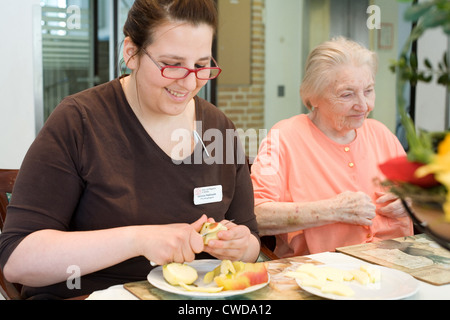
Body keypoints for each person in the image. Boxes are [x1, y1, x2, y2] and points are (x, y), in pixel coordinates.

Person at [0, 0, 260, 300]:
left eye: (201, 66)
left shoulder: (218, 128)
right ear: (131, 52)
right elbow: (17, 259)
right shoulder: (79, 121)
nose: (189, 83)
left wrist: (241, 247)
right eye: (172, 64)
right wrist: (138, 239)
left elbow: (251, 240)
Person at [251, 37, 413, 258]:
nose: (364, 106)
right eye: (347, 94)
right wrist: (333, 210)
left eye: (368, 91)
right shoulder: (284, 137)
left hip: (397, 269)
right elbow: (256, 216)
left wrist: (410, 203)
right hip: (320, 277)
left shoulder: (381, 134)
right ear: (313, 96)